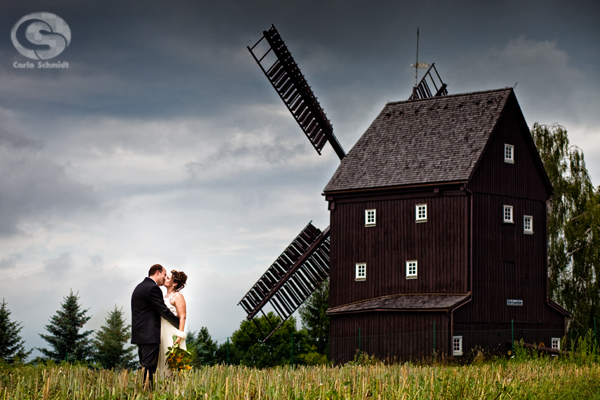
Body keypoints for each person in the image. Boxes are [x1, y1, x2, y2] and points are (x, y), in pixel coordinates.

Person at [131, 264, 179, 388]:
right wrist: (178, 323)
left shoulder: (141, 286)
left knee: (145, 366)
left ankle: (144, 391)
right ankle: (146, 393)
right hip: (149, 335)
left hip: (141, 334)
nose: (165, 278)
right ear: (157, 272)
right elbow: (162, 310)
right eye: (164, 274)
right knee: (149, 368)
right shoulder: (152, 288)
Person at [157, 270, 188, 377]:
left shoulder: (177, 296)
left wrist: (180, 335)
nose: (165, 279)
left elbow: (182, 316)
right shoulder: (162, 296)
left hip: (172, 333)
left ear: (174, 283)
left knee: (172, 362)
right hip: (162, 332)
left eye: (168, 278)